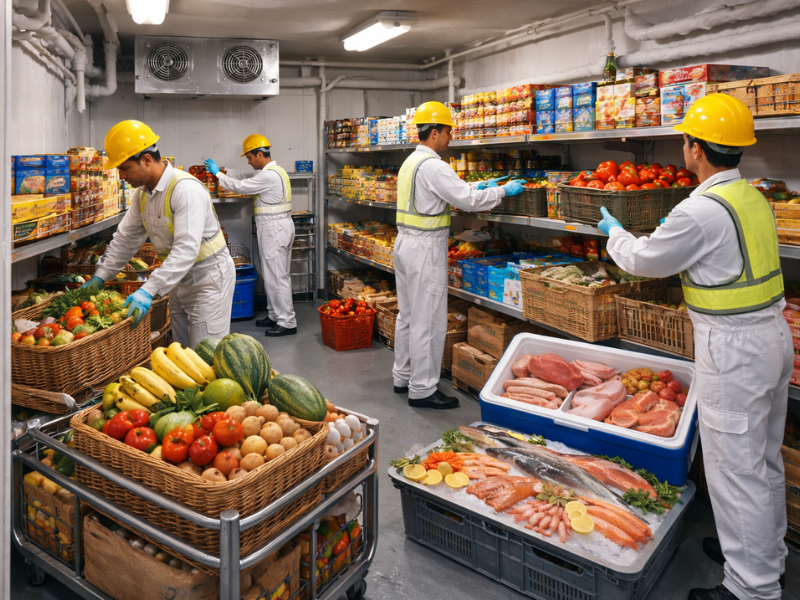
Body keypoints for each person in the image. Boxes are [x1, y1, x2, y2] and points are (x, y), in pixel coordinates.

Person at [597, 94, 790, 600]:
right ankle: (765, 561)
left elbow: (643, 260)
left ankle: (751, 588)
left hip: (734, 349)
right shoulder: (752, 197)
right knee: (763, 461)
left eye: (684, 140)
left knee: (734, 470)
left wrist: (615, 233)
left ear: (696, 148)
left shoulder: (701, 209)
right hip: (771, 338)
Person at [393, 101, 525, 409]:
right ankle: (423, 390)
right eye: (448, 132)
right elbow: (466, 200)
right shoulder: (435, 165)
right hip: (426, 249)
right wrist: (503, 191)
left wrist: (484, 184)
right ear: (435, 132)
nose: (451, 138)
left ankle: (403, 376)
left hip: (405, 244)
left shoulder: (411, 162)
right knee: (428, 319)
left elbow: (447, 189)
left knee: (409, 316)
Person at [83, 120, 236, 349]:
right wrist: (100, 276)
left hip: (208, 278)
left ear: (146, 159)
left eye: (124, 168)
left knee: (205, 353)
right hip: (177, 280)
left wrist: (148, 290)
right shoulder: (142, 195)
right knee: (182, 352)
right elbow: (125, 239)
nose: (121, 176)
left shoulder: (185, 190)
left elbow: (186, 250)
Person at [204, 135, 297, 337]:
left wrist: (218, 175)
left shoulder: (269, 176)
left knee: (277, 276)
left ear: (259, 154)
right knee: (272, 274)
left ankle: (287, 321)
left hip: (274, 229)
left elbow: (241, 187)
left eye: (249, 157)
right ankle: (274, 315)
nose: (248, 161)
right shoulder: (274, 171)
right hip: (277, 227)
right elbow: (246, 177)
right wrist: (226, 171)